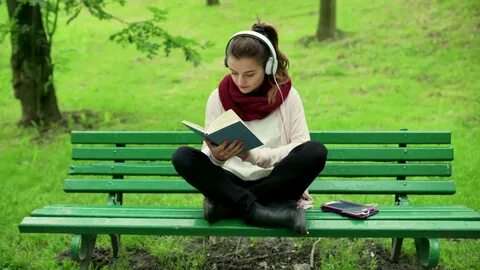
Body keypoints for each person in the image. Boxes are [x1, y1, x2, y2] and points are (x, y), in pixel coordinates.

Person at [172, 22, 327, 234]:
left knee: (315, 151)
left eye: (249, 74)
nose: (240, 81)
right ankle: (257, 212)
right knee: (182, 157)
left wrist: (255, 156)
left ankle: (229, 206)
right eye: (234, 73)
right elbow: (208, 154)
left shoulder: (287, 96)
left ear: (268, 67)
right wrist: (217, 156)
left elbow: (300, 145)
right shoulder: (218, 96)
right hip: (231, 180)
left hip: (274, 180)